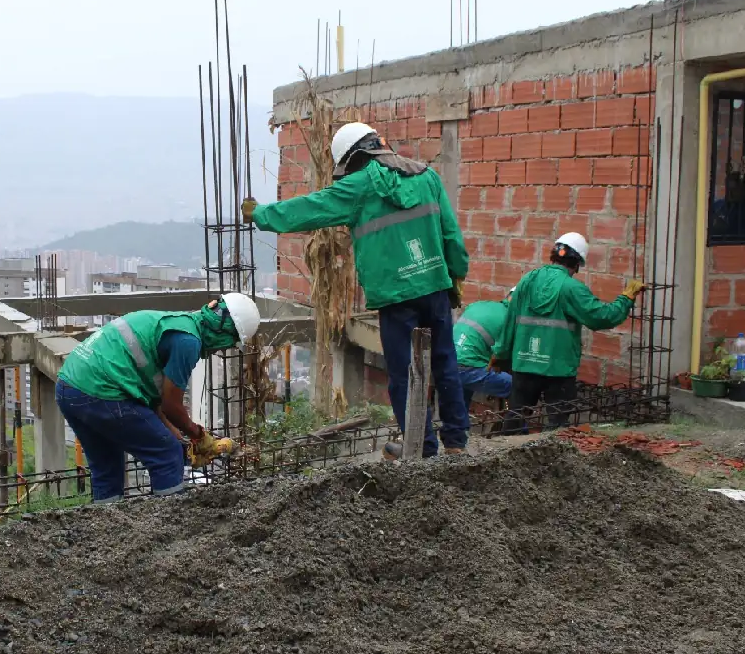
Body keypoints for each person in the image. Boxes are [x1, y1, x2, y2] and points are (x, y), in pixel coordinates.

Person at [242, 121, 470, 458]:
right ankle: (456, 443)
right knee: (444, 361)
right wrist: (456, 274)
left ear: (353, 159)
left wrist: (260, 214)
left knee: (403, 374)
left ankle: (421, 448)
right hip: (434, 286)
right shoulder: (427, 177)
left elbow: (307, 210)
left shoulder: (358, 187)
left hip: (395, 298)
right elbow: (451, 233)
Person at [55, 293, 260, 503]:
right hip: (101, 391)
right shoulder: (188, 342)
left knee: (106, 466)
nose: (224, 349)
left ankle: (107, 529)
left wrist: (179, 438)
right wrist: (199, 436)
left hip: (70, 388)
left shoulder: (178, 323)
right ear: (225, 332)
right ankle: (169, 527)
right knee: (167, 455)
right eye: (231, 343)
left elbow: (156, 404)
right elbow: (171, 406)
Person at [493, 232, 645, 432]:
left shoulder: (526, 281)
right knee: (558, 428)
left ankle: (507, 458)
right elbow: (601, 317)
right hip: (558, 369)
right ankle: (553, 460)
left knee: (515, 419)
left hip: (524, 363)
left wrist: (500, 354)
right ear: (577, 263)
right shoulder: (571, 287)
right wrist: (626, 298)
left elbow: (510, 321)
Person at [454, 288, 515, 410]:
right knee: (516, 387)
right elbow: (503, 353)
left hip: (447, 362)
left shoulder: (479, 305)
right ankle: (517, 428)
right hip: (468, 367)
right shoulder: (510, 318)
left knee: (459, 406)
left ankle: (459, 427)